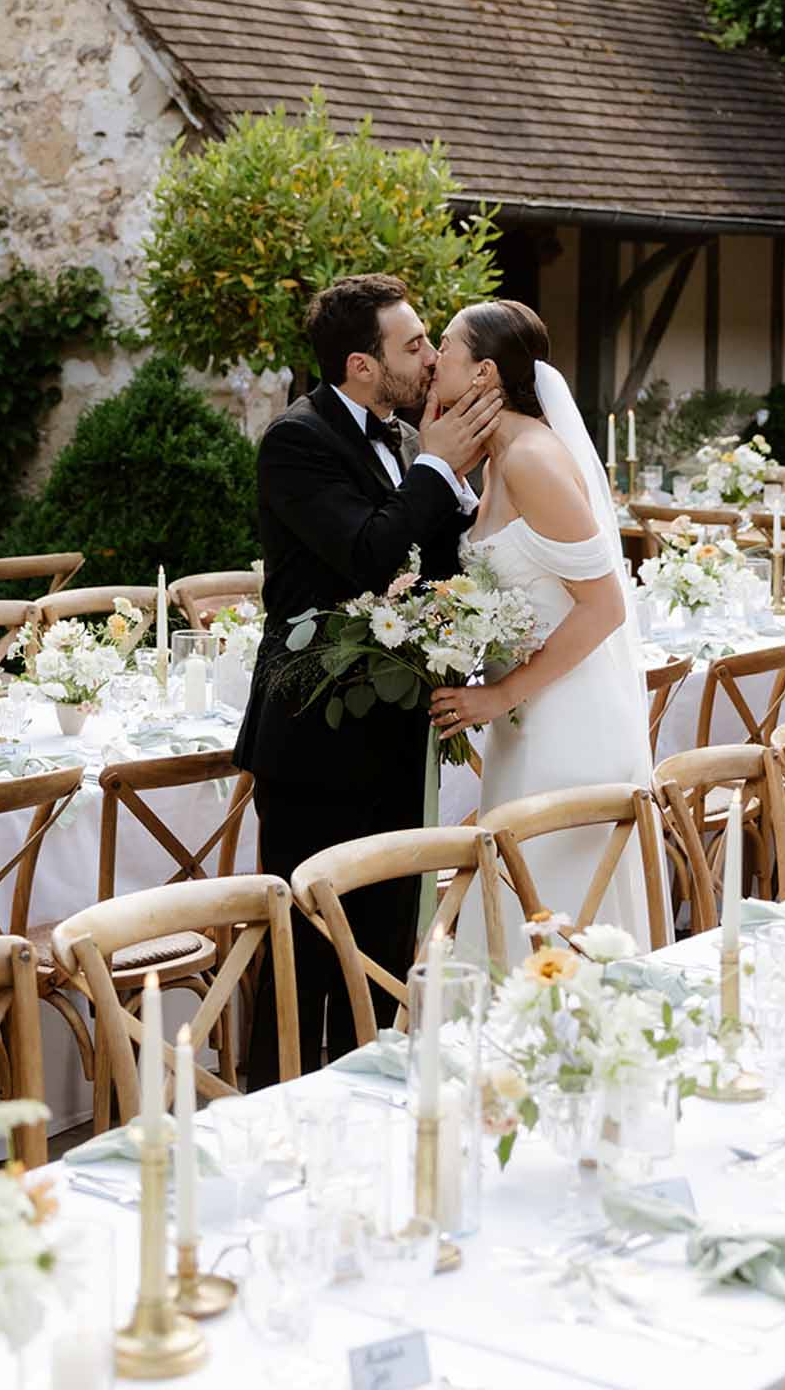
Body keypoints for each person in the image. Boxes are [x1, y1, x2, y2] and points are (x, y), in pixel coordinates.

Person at [235, 273, 500, 1084]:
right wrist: (438, 467)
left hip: (393, 729)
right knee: (301, 955)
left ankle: (368, 1098)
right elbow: (365, 554)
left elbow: (433, 567)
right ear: (360, 365)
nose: (428, 357)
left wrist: (458, 480)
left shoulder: (404, 435)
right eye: (412, 344)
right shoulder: (297, 439)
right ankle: (272, 1113)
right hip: (312, 736)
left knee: (382, 945)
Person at [426, 300, 655, 951]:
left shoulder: (531, 459)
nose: (434, 358)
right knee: (517, 923)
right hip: (526, 728)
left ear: (484, 374)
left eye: (446, 346)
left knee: (548, 928)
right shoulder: (500, 460)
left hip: (566, 730)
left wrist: (499, 693)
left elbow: (605, 606)